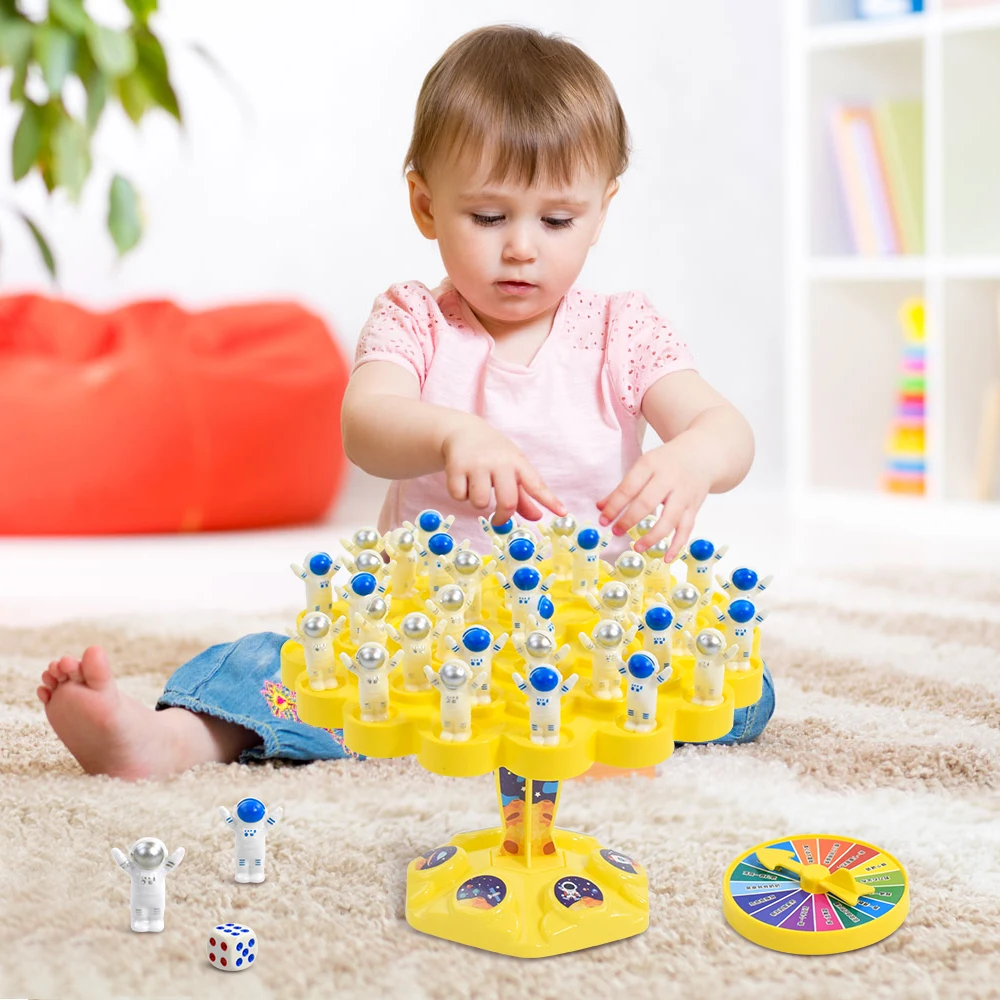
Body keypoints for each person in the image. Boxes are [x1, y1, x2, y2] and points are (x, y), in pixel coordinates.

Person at [37, 24, 772, 781]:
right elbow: (367, 423)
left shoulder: (624, 329)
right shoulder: (414, 319)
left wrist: (693, 457)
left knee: (742, 684)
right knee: (279, 668)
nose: (522, 246)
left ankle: (571, 727)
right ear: (425, 204)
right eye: (488, 216)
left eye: (557, 220)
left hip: (590, 643)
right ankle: (173, 740)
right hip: (424, 642)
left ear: (602, 209)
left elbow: (727, 429)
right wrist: (451, 434)